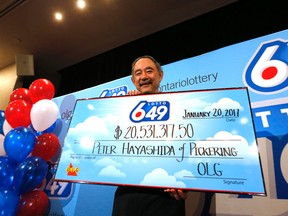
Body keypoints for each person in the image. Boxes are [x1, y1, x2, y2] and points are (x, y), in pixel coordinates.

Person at [112, 55, 187, 216]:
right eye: (138, 73)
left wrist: (185, 182)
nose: (144, 76)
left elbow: (189, 147)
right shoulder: (121, 108)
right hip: (128, 196)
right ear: (133, 81)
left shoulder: (180, 107)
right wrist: (125, 107)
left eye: (149, 71)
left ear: (160, 75)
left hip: (166, 196)